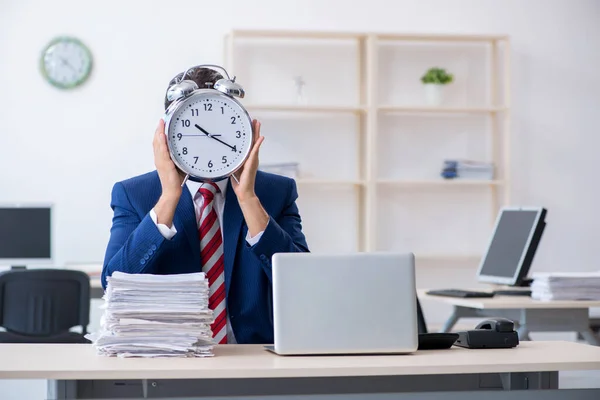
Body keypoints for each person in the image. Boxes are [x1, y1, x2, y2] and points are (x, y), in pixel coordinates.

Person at [101, 66, 309, 345]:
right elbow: (114, 284)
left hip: (253, 359)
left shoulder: (275, 192)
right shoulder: (134, 194)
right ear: (167, 134)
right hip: (172, 359)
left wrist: (248, 199)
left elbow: (303, 285)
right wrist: (169, 198)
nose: (210, 140)